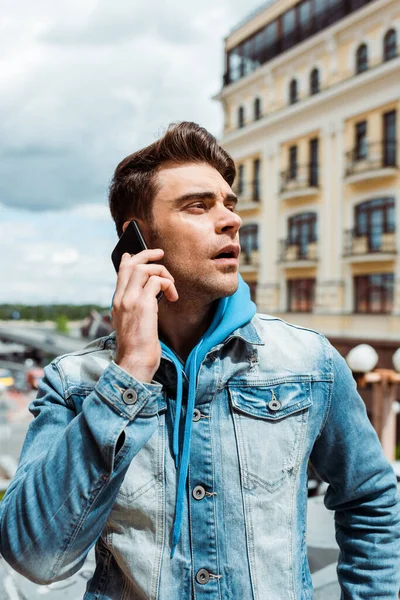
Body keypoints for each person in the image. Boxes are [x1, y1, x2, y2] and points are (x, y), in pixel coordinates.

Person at [1, 121, 399, 599]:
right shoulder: (74, 381)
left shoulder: (310, 362)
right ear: (136, 240)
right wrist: (128, 377)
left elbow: (372, 500)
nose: (231, 220)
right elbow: (35, 558)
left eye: (229, 205)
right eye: (198, 205)